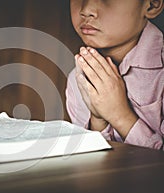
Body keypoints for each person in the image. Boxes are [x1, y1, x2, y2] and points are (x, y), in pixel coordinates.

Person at [66, 0, 164, 149]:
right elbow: (90, 167)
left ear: (152, 4)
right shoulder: (79, 78)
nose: (86, 10)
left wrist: (120, 116)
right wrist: (98, 120)